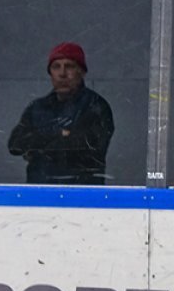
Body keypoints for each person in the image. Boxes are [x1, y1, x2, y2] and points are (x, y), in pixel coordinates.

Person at [7, 42, 114, 185]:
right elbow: (15, 145)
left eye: (69, 66)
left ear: (81, 72)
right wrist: (60, 133)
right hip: (39, 193)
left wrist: (37, 145)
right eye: (56, 67)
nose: (62, 73)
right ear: (50, 73)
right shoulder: (38, 107)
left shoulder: (96, 106)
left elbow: (84, 149)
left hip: (83, 195)